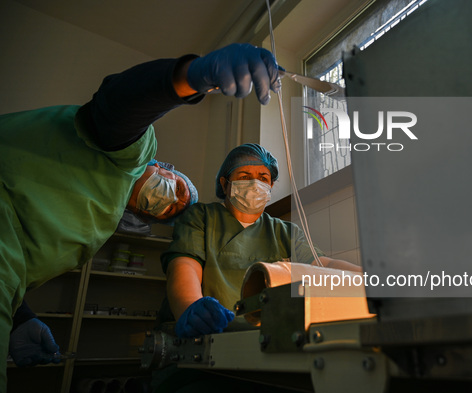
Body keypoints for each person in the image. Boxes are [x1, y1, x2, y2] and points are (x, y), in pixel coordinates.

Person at [0, 43, 281, 387]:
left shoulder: (101, 220)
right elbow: (116, 105)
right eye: (177, 191)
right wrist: (191, 76)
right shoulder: (127, 154)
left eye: (169, 212)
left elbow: (15, 258)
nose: (167, 204)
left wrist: (21, 316)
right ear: (162, 167)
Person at [160, 143, 361, 339]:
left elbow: (323, 265)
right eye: (244, 177)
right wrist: (190, 308)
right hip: (209, 334)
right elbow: (184, 264)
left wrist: (370, 278)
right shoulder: (201, 216)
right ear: (224, 183)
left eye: (263, 178)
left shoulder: (285, 232)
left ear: (271, 185)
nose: (255, 184)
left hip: (266, 336)